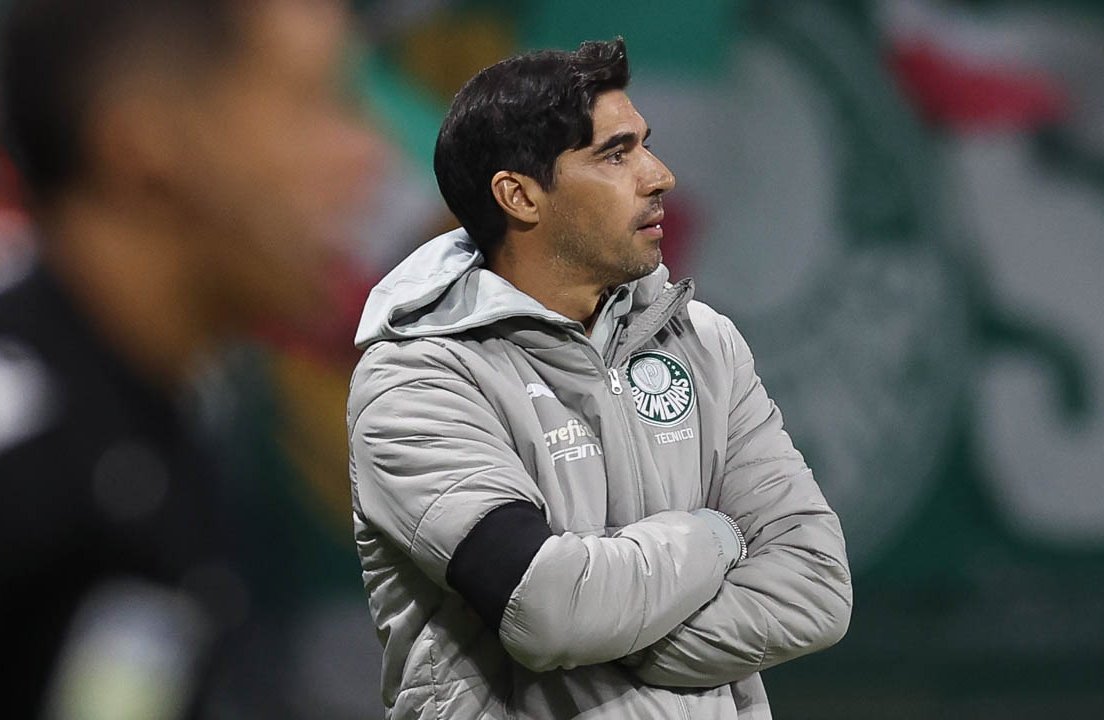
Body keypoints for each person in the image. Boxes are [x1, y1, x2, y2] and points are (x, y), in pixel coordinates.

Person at [347, 38, 851, 719]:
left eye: (645, 144)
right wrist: (718, 536)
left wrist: (622, 635)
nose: (660, 174)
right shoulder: (417, 378)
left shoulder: (705, 342)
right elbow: (547, 609)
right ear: (520, 195)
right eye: (615, 154)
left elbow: (817, 588)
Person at [0, 0, 380, 716]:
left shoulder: (156, 435)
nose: (362, 157)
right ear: (145, 140)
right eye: (310, 102)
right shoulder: (0, 469)